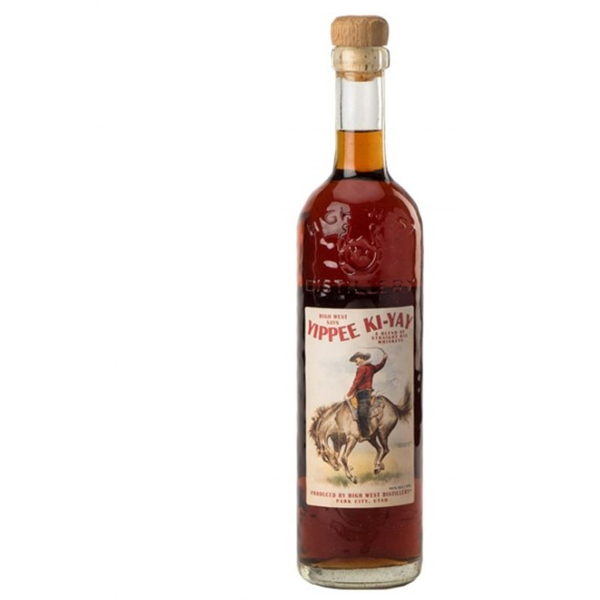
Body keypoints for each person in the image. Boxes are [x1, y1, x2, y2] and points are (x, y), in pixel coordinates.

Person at [344, 350, 388, 439]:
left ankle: (365, 435)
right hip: (362, 393)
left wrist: (348, 394)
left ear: (361, 358)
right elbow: (379, 366)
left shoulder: (362, 368)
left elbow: (356, 382)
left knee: (362, 413)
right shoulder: (370, 367)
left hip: (363, 394)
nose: (355, 361)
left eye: (356, 359)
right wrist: (384, 359)